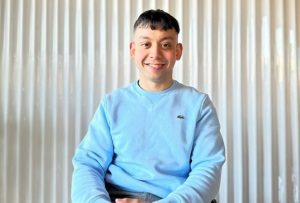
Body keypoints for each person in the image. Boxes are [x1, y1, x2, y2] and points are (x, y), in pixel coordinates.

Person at [71, 9, 225, 203]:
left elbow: (208, 168)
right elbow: (88, 164)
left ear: (178, 51)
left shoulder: (199, 105)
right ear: (133, 50)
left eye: (166, 44)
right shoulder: (112, 104)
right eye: (146, 44)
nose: (155, 53)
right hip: (116, 198)